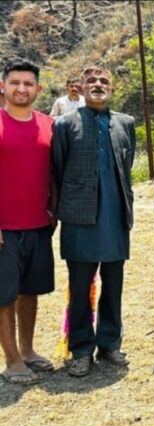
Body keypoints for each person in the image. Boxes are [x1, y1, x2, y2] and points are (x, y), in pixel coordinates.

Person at [52, 66, 136, 377]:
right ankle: (81, 349)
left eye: (104, 81)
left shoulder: (125, 123)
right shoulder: (64, 124)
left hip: (115, 220)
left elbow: (126, 168)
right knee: (79, 286)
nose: (98, 85)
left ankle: (110, 343)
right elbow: (58, 170)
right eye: (92, 81)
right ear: (80, 88)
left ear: (113, 88)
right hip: (79, 220)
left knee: (113, 286)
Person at [0, 60, 56, 384]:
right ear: (3, 86)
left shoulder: (49, 125)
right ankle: (11, 360)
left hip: (37, 225)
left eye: (28, 84)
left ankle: (28, 349)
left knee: (29, 291)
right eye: (15, 83)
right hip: (5, 228)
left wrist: (53, 209)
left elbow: (53, 174)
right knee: (4, 295)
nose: (21, 89)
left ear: (38, 88)